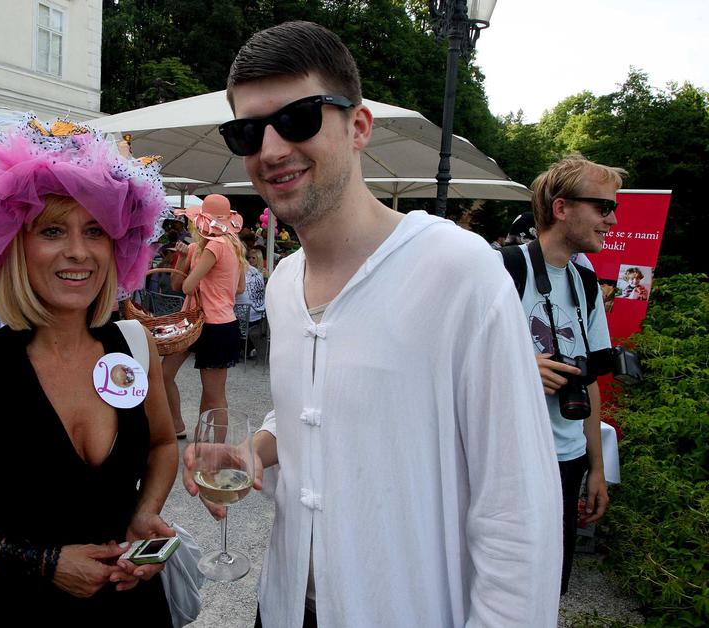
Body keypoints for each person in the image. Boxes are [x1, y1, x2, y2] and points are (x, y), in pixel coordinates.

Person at [183, 21, 563, 627]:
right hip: (283, 605)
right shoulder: (283, 283)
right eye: (248, 132)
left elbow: (518, 507)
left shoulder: (459, 270)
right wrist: (254, 450)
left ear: (358, 126)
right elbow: (314, 408)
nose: (272, 149)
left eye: (299, 118)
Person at [0, 113, 177, 625]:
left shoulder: (135, 345)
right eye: (52, 230)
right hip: (21, 610)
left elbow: (162, 444)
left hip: (135, 603)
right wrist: (45, 563)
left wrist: (145, 510)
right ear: (10, 243)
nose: (78, 252)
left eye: (95, 230)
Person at [511, 154, 622, 595]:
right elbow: (444, 357)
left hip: (567, 461)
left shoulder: (586, 283)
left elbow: (589, 380)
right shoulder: (503, 270)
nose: (612, 220)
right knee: (501, 586)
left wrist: (596, 469)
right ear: (561, 208)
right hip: (509, 458)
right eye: (603, 207)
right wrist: (518, 366)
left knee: (549, 587)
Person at [161, 194, 246, 437]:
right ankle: (187, 429)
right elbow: (239, 288)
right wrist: (184, 259)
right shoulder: (227, 247)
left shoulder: (216, 246)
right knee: (167, 375)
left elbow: (188, 287)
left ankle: (215, 450)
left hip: (212, 324)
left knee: (214, 396)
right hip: (199, 321)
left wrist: (201, 280)